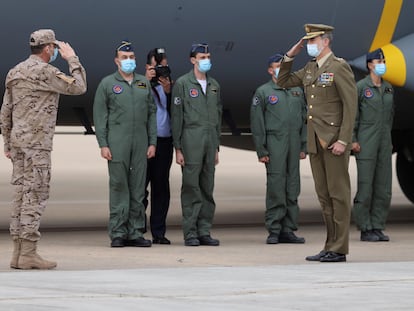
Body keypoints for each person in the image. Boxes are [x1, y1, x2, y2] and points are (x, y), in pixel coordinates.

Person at [0, 29, 87, 269]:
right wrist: (72, 58)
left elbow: (5, 111)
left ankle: (18, 253)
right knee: (35, 195)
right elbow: (79, 87)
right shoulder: (46, 72)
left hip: (18, 143)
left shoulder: (15, 72)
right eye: (55, 47)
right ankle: (28, 252)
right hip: (37, 144)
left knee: (20, 196)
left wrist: (7, 142)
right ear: (48, 48)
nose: (56, 50)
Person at [277, 24, 357, 262]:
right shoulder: (310, 68)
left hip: (334, 142)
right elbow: (283, 81)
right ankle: (330, 245)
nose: (310, 45)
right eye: (308, 41)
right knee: (324, 196)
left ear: (326, 41)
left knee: (338, 195)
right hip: (315, 141)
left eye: (313, 40)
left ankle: (340, 248)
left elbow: (350, 107)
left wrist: (344, 139)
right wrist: (291, 55)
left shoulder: (339, 67)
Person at [93, 40, 157, 248]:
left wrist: (152, 142)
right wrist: (103, 144)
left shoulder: (143, 83)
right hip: (117, 142)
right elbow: (100, 116)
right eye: (124, 57)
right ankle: (118, 232)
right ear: (116, 61)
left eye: (131, 57)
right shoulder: (107, 84)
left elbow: (151, 114)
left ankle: (136, 232)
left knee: (138, 189)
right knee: (119, 186)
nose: (128, 61)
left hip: (140, 143)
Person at [250, 53, 307, 245]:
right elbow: (257, 124)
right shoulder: (264, 92)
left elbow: (305, 119)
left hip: (293, 144)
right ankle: (274, 229)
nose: (280, 69)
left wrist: (303, 145)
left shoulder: (297, 90)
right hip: (275, 144)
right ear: (269, 70)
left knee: (292, 187)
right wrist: (261, 150)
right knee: (276, 188)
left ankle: (288, 229)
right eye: (276, 66)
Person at [171, 43, 222, 246]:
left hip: (209, 143)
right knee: (191, 188)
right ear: (193, 60)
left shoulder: (214, 85)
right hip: (191, 141)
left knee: (207, 188)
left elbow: (217, 117)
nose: (206, 60)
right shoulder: (183, 84)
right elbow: (177, 118)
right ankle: (190, 232)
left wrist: (216, 147)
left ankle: (204, 231)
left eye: (208, 56)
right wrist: (178, 148)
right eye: (202, 56)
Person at [352, 48, 394, 242]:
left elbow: (390, 116)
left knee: (383, 187)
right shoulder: (361, 87)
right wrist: (353, 139)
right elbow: (353, 116)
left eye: (383, 61)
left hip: (384, 142)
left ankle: (377, 225)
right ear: (369, 65)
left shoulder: (388, 88)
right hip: (366, 142)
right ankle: (365, 227)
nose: (381, 64)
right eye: (378, 61)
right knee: (366, 186)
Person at [143, 48, 174, 244]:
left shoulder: (171, 86)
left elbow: (177, 111)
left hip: (164, 141)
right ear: (148, 68)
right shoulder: (140, 84)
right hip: (145, 142)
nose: (160, 70)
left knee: (161, 188)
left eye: (163, 65)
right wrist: (147, 81)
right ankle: (138, 228)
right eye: (157, 66)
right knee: (140, 188)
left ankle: (159, 232)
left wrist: (168, 91)